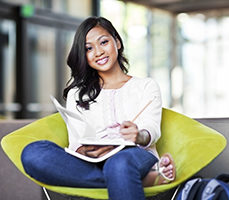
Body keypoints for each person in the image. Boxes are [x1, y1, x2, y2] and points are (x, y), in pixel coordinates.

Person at [21, 16, 175, 200]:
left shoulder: (146, 86)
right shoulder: (77, 93)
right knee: (33, 153)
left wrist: (138, 135)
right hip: (91, 161)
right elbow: (76, 141)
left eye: (104, 42)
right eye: (88, 48)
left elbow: (151, 129)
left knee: (119, 164)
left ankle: (125, 175)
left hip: (134, 155)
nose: (98, 52)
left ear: (117, 42)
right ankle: (141, 180)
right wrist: (83, 151)